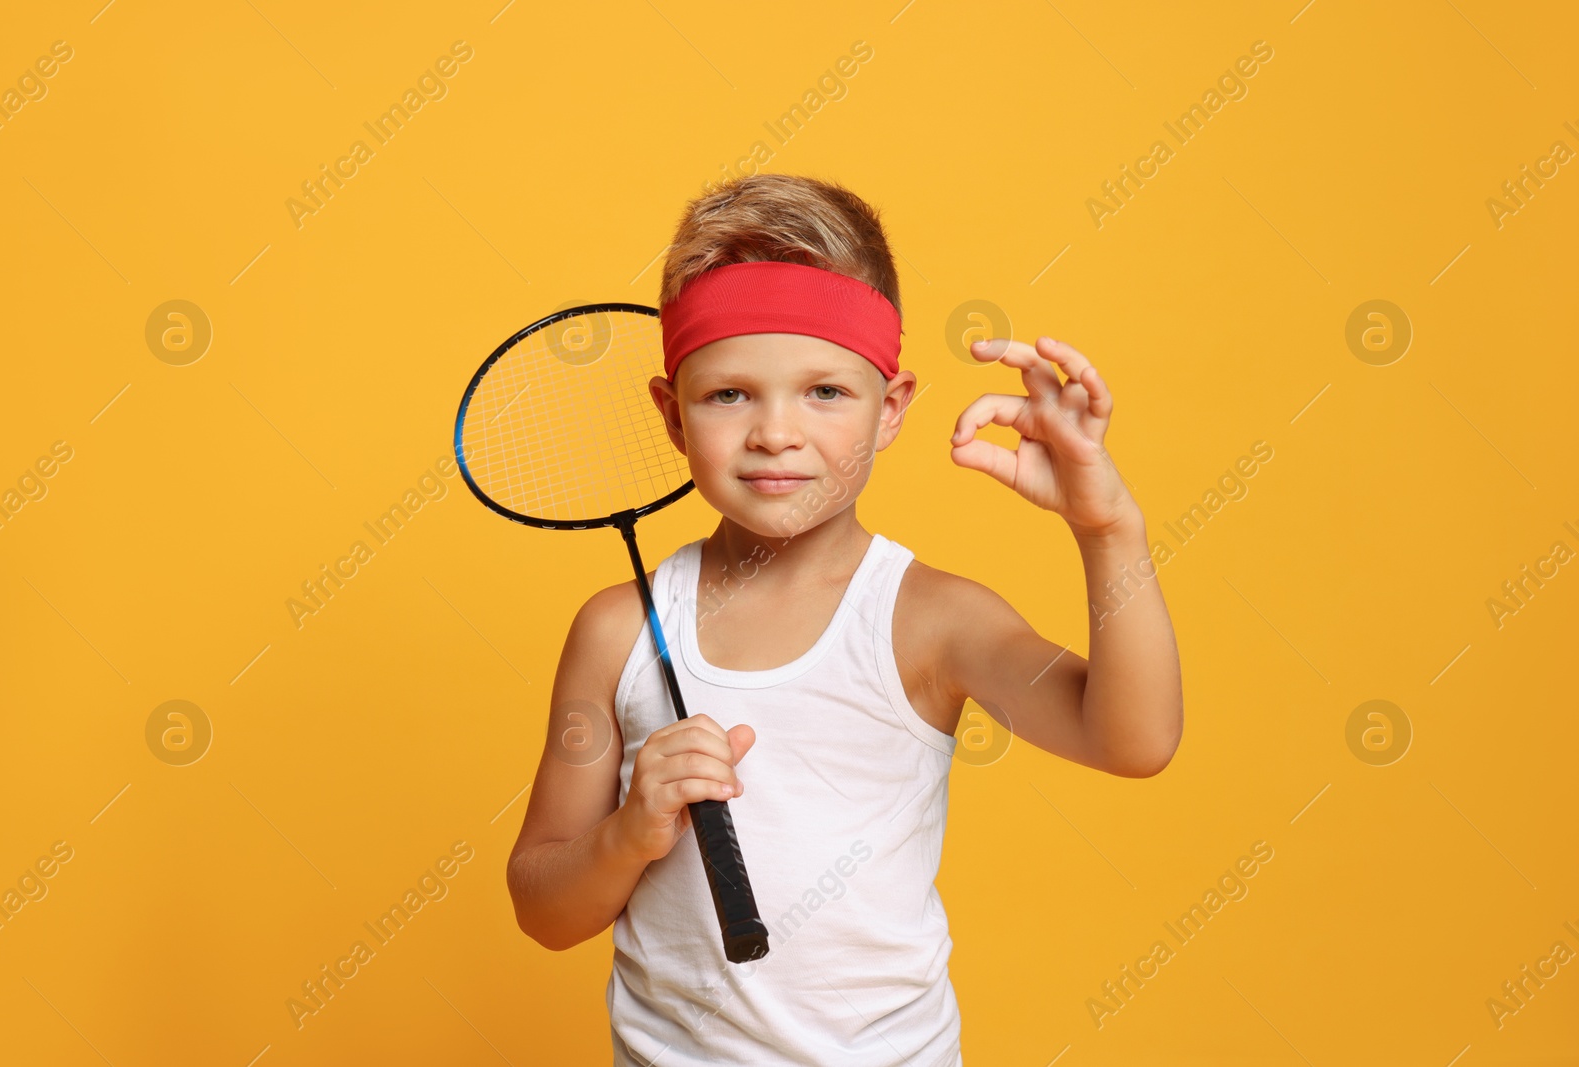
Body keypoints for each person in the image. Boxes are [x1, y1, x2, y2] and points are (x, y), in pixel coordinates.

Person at [506, 173, 1183, 1066]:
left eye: (825, 392)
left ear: (892, 406)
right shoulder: (617, 631)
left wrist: (1108, 527)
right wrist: (629, 831)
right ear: (672, 415)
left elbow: (1133, 740)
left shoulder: (931, 620)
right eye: (729, 395)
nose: (776, 433)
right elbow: (543, 908)